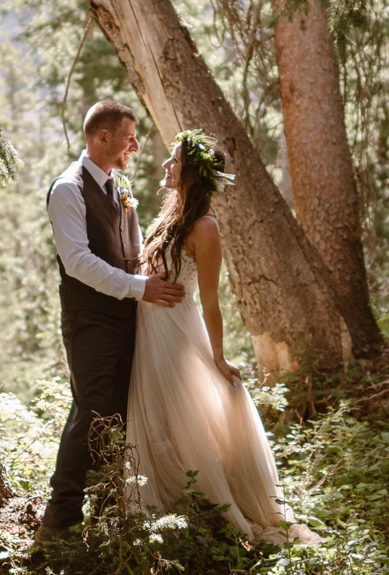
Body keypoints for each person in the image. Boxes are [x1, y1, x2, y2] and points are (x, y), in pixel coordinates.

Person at [124, 129, 317, 545]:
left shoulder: (205, 227)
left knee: (180, 417)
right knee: (158, 416)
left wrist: (218, 356)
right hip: (149, 329)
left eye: (174, 160)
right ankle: (169, 512)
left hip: (175, 333)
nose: (166, 165)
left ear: (192, 172)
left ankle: (202, 508)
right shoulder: (168, 215)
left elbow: (211, 301)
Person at [37, 100, 186, 545]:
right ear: (102, 138)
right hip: (89, 320)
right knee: (91, 411)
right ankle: (57, 520)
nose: (136, 147)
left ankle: (107, 509)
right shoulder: (67, 189)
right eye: (128, 138)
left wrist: (149, 278)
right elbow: (79, 262)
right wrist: (141, 288)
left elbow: (132, 246)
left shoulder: (119, 184)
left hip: (126, 317)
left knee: (119, 411)